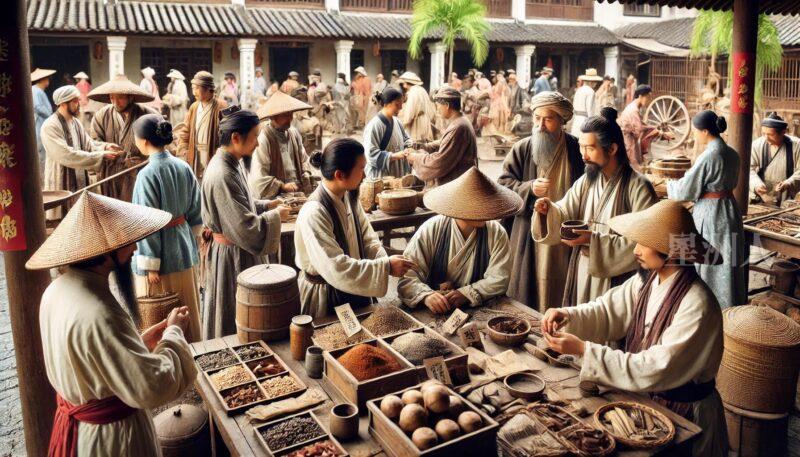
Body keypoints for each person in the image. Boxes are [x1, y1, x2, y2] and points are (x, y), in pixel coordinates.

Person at [541, 200, 728, 457]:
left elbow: (656, 367)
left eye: (644, 243)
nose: (636, 250)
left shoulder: (698, 305)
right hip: (647, 403)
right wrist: (568, 315)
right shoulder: (646, 282)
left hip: (687, 415)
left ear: (670, 251)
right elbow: (607, 311)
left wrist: (584, 350)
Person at [27, 191, 197, 456]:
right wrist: (174, 333)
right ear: (106, 251)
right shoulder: (100, 312)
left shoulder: (55, 290)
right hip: (114, 439)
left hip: (83, 433)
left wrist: (140, 343)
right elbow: (150, 386)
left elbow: (94, 362)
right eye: (128, 241)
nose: (135, 248)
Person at [533, 108, 658, 306]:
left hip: (619, 280)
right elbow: (564, 211)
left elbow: (646, 242)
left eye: (590, 148)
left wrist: (595, 241)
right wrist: (547, 210)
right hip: (584, 268)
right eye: (581, 148)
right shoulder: (587, 180)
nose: (583, 156)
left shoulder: (638, 186)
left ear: (612, 149)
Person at [294, 138, 416, 317]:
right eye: (361, 169)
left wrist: (384, 261)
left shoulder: (348, 196)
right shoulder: (314, 212)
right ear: (340, 175)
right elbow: (336, 267)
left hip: (354, 283)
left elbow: (368, 238)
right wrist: (386, 267)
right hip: (326, 294)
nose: (365, 175)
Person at [201, 106, 290, 338]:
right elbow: (245, 227)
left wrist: (267, 205)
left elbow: (242, 203)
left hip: (236, 249)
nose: (258, 144)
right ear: (236, 137)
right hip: (232, 255)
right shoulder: (222, 173)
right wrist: (275, 217)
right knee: (236, 315)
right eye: (254, 137)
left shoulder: (232, 162)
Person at [499, 92, 584, 311]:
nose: (540, 125)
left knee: (564, 283)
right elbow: (502, 186)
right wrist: (529, 188)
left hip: (565, 230)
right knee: (529, 285)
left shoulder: (576, 148)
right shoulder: (523, 148)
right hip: (529, 230)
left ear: (562, 121)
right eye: (537, 118)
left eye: (548, 119)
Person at [399, 167, 519, 314]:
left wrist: (466, 293)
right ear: (459, 206)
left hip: (481, 309)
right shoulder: (432, 228)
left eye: (486, 205)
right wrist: (426, 296)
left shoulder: (496, 233)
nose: (485, 212)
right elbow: (408, 275)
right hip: (432, 310)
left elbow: (499, 279)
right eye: (478, 207)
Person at [131, 114, 203, 343]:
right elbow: (196, 208)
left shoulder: (146, 175)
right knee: (188, 304)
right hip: (184, 244)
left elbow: (146, 222)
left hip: (161, 256)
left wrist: (150, 264)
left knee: (162, 314)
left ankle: (170, 353)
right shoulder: (183, 166)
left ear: (143, 141)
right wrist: (193, 240)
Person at [667, 110, 747, 309]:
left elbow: (686, 190)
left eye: (696, 131)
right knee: (728, 257)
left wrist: (669, 185)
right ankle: (731, 306)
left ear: (704, 131)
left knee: (710, 258)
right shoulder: (732, 154)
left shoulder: (710, 155)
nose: (695, 135)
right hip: (730, 209)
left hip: (712, 213)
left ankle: (710, 307)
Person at [41, 86, 121, 218]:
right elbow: (66, 154)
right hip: (60, 177)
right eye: (75, 101)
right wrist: (101, 156)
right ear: (62, 103)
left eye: (78, 100)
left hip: (79, 177)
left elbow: (89, 145)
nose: (79, 104)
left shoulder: (76, 123)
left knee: (81, 216)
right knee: (63, 217)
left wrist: (105, 147)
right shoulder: (50, 125)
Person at [406, 87, 477, 188]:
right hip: (462, 180)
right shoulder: (461, 121)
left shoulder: (458, 126)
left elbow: (439, 162)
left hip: (459, 185)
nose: (437, 109)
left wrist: (415, 158)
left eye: (438, 106)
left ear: (446, 105)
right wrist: (423, 146)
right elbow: (444, 142)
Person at [249, 91, 313, 199]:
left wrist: (306, 172)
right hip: (276, 198)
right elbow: (259, 177)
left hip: (297, 191)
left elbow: (304, 159)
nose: (290, 118)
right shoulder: (264, 138)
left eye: (291, 114)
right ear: (273, 117)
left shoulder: (294, 133)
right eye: (286, 115)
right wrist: (282, 186)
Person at [178, 71, 228, 178]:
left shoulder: (221, 106)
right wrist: (184, 150)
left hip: (213, 154)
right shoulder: (194, 107)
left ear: (208, 88)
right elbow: (185, 131)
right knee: (196, 181)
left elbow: (227, 135)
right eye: (192, 88)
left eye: (197, 88)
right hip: (195, 153)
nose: (194, 92)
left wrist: (221, 154)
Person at [618, 84, 672, 171]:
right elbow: (639, 129)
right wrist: (659, 132)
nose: (649, 100)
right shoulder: (633, 110)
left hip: (630, 136)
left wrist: (655, 128)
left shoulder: (635, 106)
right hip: (626, 138)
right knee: (634, 163)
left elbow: (640, 125)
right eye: (648, 97)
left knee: (637, 161)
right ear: (640, 96)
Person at [749, 112, 800, 204]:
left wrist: (789, 182)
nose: (766, 138)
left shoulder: (796, 145)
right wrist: (756, 184)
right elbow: (749, 169)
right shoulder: (757, 145)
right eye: (763, 134)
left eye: (770, 135)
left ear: (783, 132)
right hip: (763, 195)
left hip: (787, 196)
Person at [364, 87, 413, 179]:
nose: (401, 107)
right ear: (386, 104)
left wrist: (409, 147)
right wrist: (394, 156)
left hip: (397, 170)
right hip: (381, 174)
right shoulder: (374, 125)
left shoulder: (397, 121)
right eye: (397, 104)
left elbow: (406, 139)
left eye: (401, 103)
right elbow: (371, 154)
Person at [397, 72, 436, 144]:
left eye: (403, 82)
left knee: (416, 144)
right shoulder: (422, 90)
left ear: (406, 83)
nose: (403, 85)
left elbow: (410, 111)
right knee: (425, 143)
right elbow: (430, 109)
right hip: (425, 120)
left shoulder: (413, 92)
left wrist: (404, 123)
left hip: (417, 123)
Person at [32, 68, 56, 174]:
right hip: (40, 123)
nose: (48, 81)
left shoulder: (38, 91)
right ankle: (42, 175)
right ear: (42, 80)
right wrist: (50, 116)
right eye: (47, 79)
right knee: (42, 152)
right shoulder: (36, 91)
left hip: (43, 123)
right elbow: (38, 107)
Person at [571, 68, 603, 136]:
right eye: (595, 82)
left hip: (576, 120)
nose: (596, 84)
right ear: (591, 82)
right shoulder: (590, 92)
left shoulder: (578, 90)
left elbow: (573, 107)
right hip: (585, 121)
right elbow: (590, 111)